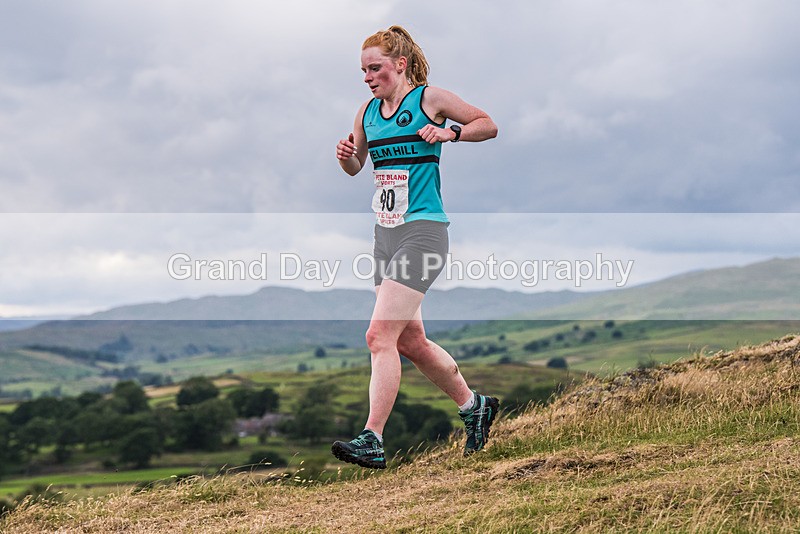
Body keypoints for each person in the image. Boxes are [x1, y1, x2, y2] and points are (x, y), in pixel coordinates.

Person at [331, 25, 499, 469]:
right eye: (363, 71)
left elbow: (487, 124)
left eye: (375, 68)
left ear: (400, 65)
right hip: (385, 236)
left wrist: (451, 134)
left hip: (423, 232)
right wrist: (346, 156)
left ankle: (372, 437)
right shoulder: (367, 113)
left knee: (378, 336)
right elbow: (357, 166)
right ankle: (474, 406)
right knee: (410, 341)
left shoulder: (429, 99)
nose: (368, 77)